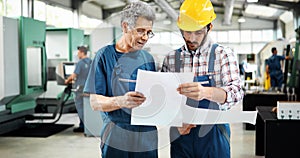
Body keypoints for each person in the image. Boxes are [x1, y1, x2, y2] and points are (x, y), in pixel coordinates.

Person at [161, 0, 244, 157]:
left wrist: (206, 92)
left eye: (198, 32)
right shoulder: (171, 58)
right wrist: (174, 122)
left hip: (214, 136)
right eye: (187, 31)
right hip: (181, 135)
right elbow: (164, 100)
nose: (192, 38)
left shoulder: (223, 55)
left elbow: (237, 92)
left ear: (209, 27)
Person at [83, 1, 158, 158]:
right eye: (140, 31)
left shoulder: (148, 59)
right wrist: (121, 102)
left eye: (149, 32)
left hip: (147, 133)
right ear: (125, 27)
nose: (145, 38)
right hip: (117, 133)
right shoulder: (104, 56)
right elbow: (95, 102)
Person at [65, 46, 92, 133]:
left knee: (80, 108)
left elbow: (74, 75)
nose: (77, 54)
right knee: (88, 108)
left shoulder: (80, 63)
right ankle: (88, 126)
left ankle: (82, 126)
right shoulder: (91, 62)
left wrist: (67, 80)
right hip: (89, 89)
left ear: (81, 52)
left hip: (80, 89)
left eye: (78, 52)